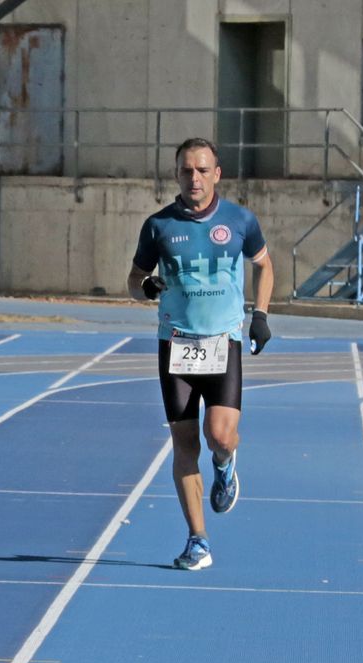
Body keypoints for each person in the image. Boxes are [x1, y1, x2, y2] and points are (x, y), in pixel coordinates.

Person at [128, 137, 273, 571]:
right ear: (177, 175)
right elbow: (134, 280)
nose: (195, 178)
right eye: (187, 170)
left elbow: (264, 265)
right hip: (176, 345)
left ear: (217, 174)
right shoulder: (158, 226)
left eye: (203, 170)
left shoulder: (240, 220)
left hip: (222, 342)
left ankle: (225, 464)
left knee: (220, 436)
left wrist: (260, 315)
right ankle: (198, 540)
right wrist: (146, 287)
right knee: (184, 444)